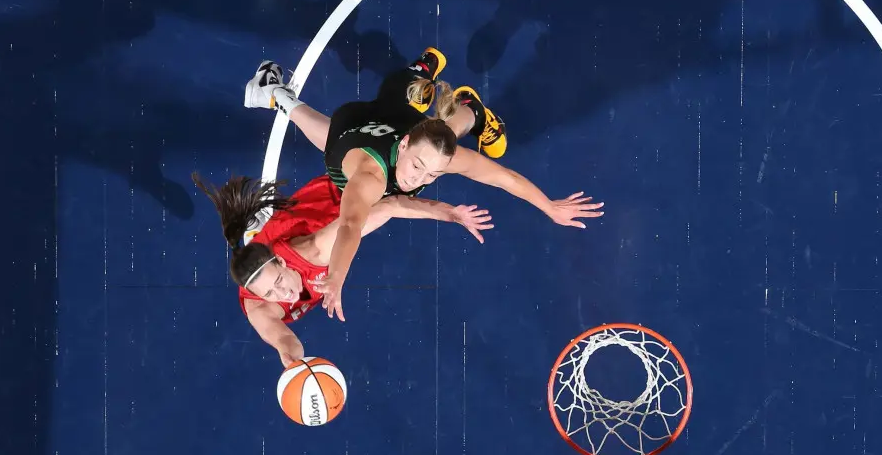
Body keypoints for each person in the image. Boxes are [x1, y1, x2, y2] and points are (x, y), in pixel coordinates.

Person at [242, 48, 605, 322]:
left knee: (442, 128)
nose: (418, 179)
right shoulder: (369, 178)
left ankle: (468, 105)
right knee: (359, 122)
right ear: (404, 146)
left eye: (431, 176)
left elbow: (502, 177)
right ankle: (429, 83)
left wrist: (550, 207)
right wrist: (335, 277)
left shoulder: (433, 153)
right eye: (417, 167)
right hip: (349, 132)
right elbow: (351, 225)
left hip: (394, 130)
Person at [193, 171, 493, 367]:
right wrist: (293, 361)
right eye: (272, 293)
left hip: (341, 191)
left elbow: (389, 206)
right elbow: (283, 338)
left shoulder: (316, 250)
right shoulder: (260, 307)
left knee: (425, 161)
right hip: (276, 239)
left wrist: (450, 213)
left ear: (283, 262)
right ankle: (251, 235)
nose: (284, 293)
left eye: (280, 281)